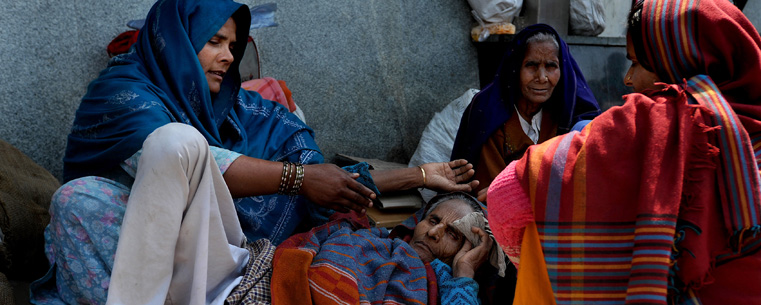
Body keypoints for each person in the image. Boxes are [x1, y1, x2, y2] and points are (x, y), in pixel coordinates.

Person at [29, 0, 479, 304]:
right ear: (178, 41)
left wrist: (418, 177)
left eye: (233, 45)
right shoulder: (124, 93)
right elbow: (184, 162)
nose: (228, 57)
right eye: (214, 42)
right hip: (138, 247)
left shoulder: (246, 110)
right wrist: (297, 179)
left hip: (224, 263)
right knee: (77, 199)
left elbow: (322, 182)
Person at [487, 0, 761, 304]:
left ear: (676, 61)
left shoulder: (644, 129)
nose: (627, 78)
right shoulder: (490, 114)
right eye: (531, 66)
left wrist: (542, 265)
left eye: (636, 62)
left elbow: (505, 196)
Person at [451, 24, 601, 202]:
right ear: (515, 68)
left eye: (551, 66)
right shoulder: (490, 115)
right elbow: (489, 192)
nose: (542, 77)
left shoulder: (566, 112)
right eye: (531, 65)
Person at [270, 192, 502, 304]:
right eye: (432, 220)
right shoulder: (368, 240)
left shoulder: (452, 288)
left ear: (470, 251)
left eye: (452, 234)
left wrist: (463, 274)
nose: (433, 232)